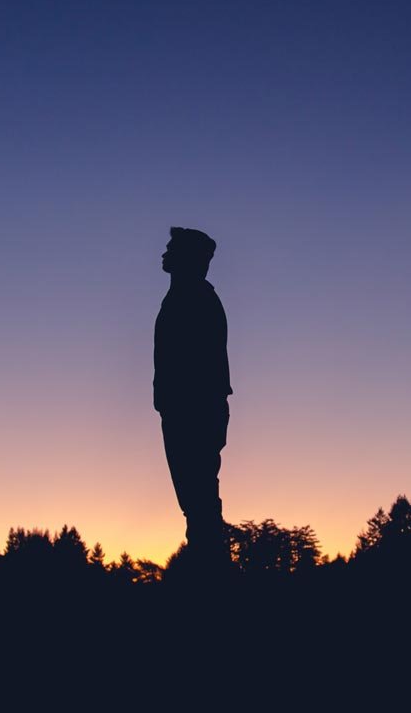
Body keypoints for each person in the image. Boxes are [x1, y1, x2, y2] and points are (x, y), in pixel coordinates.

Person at [154, 226, 233, 573]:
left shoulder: (195, 298)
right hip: (183, 410)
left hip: (193, 412)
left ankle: (210, 574)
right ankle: (207, 569)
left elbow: (198, 368)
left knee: (199, 501)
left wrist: (181, 405)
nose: (165, 253)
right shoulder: (184, 296)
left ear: (189, 259)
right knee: (196, 502)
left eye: (173, 249)